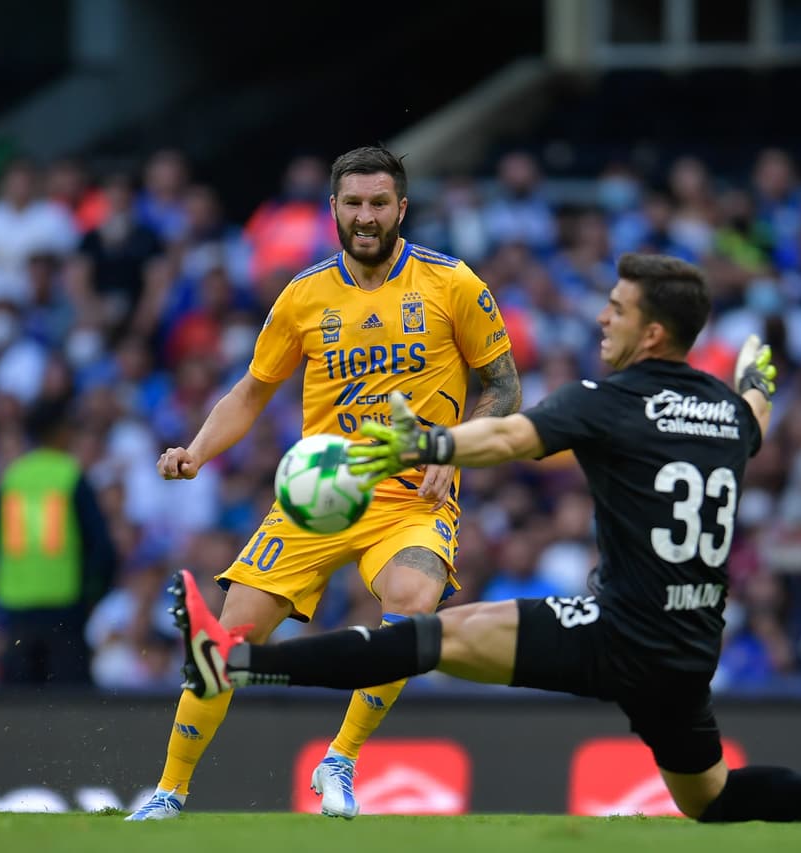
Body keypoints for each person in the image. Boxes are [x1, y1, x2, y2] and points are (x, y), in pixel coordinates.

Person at [169, 253, 801, 828]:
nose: (602, 318)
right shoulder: (727, 415)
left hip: (614, 630)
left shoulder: (607, 399)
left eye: (618, 310)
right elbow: (757, 420)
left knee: (420, 637)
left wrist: (429, 446)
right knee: (712, 798)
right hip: (689, 652)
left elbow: (510, 437)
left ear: (653, 334)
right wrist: (758, 381)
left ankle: (236, 660)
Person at [128, 146, 521, 820]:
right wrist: (196, 451)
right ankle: (169, 791)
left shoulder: (452, 282)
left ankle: (339, 757)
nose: (365, 217)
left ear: (401, 208)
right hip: (319, 494)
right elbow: (252, 392)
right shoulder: (304, 294)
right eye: (352, 204)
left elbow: (505, 384)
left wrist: (454, 449)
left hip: (409, 496)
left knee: (412, 603)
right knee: (229, 641)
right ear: (333, 209)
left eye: (377, 204)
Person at [0, 396, 117, 683]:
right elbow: (102, 550)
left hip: (16, 613)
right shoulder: (70, 476)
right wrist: (90, 597)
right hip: (65, 610)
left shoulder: (12, 479)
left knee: (18, 711)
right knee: (70, 710)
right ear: (62, 432)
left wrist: (0, 592)